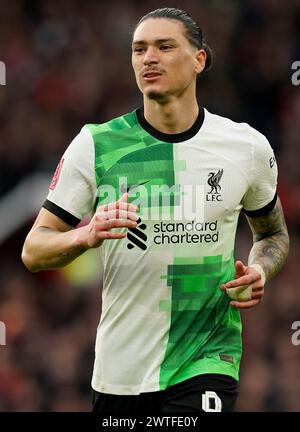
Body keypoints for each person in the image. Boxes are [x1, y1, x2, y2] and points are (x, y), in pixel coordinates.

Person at [22, 8, 289, 413]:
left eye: (165, 47)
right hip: (120, 372)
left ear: (199, 59)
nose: (149, 58)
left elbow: (272, 233)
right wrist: (86, 234)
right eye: (139, 49)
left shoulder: (245, 147)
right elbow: (33, 251)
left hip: (207, 358)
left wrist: (260, 269)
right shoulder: (96, 145)